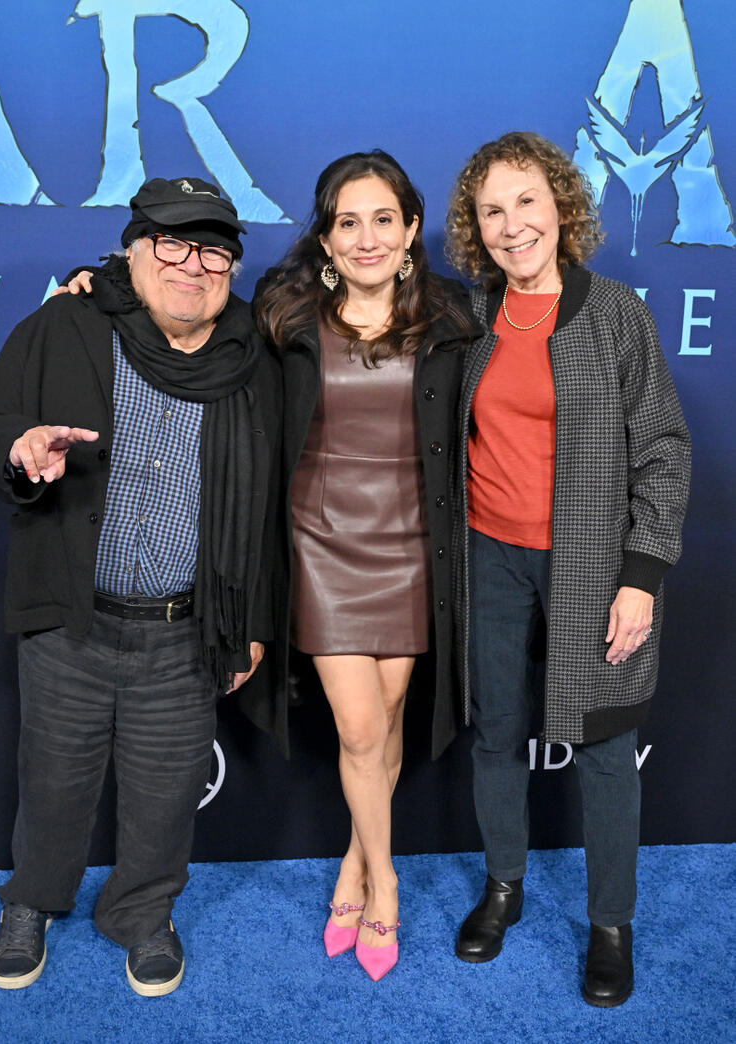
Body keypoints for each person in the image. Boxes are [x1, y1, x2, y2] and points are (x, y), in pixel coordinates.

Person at [0, 177, 281, 996]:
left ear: (232, 268)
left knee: (166, 794)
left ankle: (144, 914)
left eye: (212, 249)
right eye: (170, 243)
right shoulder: (67, 323)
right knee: (55, 780)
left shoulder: (254, 358)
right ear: (130, 253)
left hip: (186, 629)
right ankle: (32, 900)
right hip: (72, 621)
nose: (192, 264)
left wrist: (247, 622)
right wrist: (21, 450)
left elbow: (271, 506)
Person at [444, 132, 691, 1006]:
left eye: (526, 202)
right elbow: (349, 293)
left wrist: (642, 575)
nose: (512, 226)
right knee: (499, 732)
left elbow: (662, 447)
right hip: (489, 554)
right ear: (475, 228)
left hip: (592, 563)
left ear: (561, 207)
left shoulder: (615, 311)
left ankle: (610, 926)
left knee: (605, 747)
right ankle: (503, 887)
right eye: (492, 210)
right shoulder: (466, 317)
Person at [255, 151, 472, 980]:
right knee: (356, 727)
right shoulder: (284, 319)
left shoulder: (454, 322)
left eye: (384, 218)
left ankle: (350, 862)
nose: (367, 236)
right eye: (349, 221)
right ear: (325, 236)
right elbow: (183, 310)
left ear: (412, 229)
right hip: (322, 547)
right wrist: (93, 282)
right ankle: (385, 886)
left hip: (417, 551)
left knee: (383, 729)